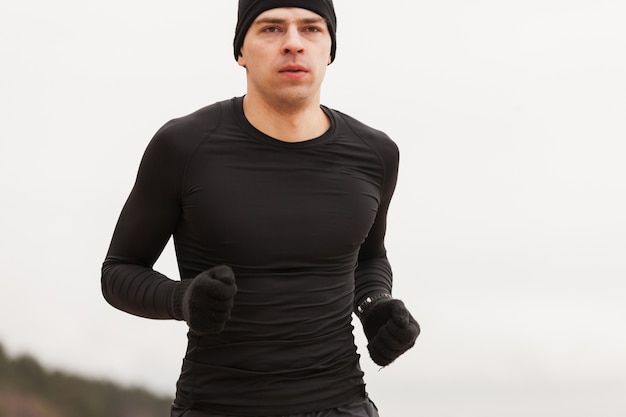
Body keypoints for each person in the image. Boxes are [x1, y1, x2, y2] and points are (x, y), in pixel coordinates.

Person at [101, 1, 419, 416]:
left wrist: (375, 304)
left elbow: (370, 256)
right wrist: (183, 299)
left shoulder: (375, 153)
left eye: (310, 29)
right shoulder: (184, 147)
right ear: (240, 51)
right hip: (217, 405)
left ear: (330, 49)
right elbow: (120, 270)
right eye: (271, 29)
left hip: (341, 403)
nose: (293, 43)